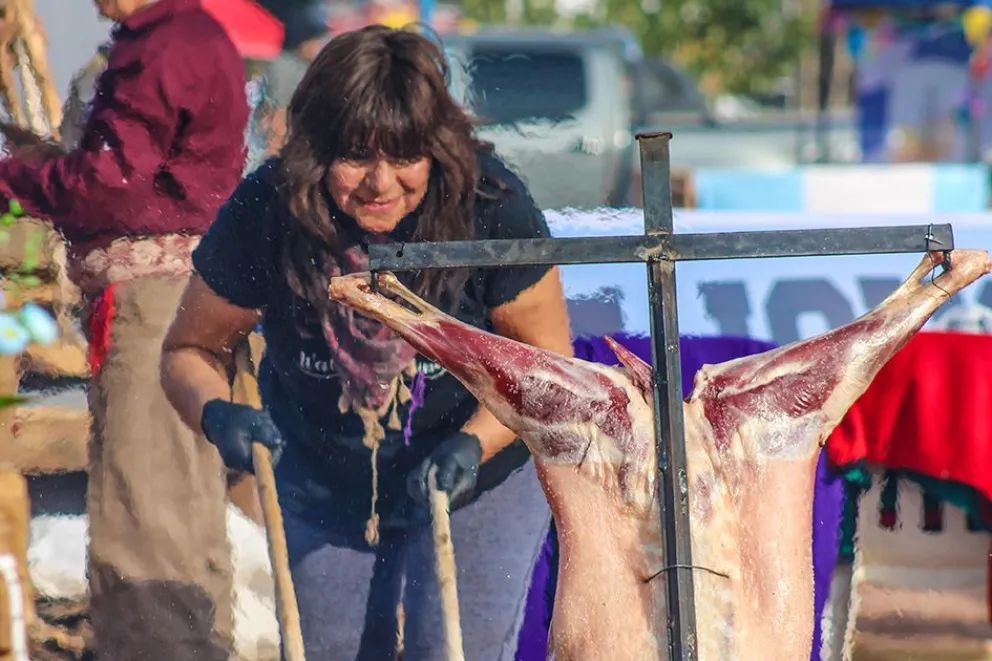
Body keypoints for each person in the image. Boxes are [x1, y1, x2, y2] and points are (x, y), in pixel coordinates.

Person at [160, 24, 574, 660]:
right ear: (315, 153)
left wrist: (473, 444)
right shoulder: (266, 212)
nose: (381, 184)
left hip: (476, 470)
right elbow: (188, 351)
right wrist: (219, 413)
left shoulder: (491, 205)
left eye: (405, 156)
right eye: (355, 157)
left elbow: (545, 370)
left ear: (437, 151)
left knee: (451, 648)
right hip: (322, 475)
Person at [0, 0, 249, 658]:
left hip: (155, 305)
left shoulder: (164, 43)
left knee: (144, 512)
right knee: (181, 512)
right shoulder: (186, 35)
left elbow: (109, 186)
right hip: (180, 299)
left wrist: (16, 178)